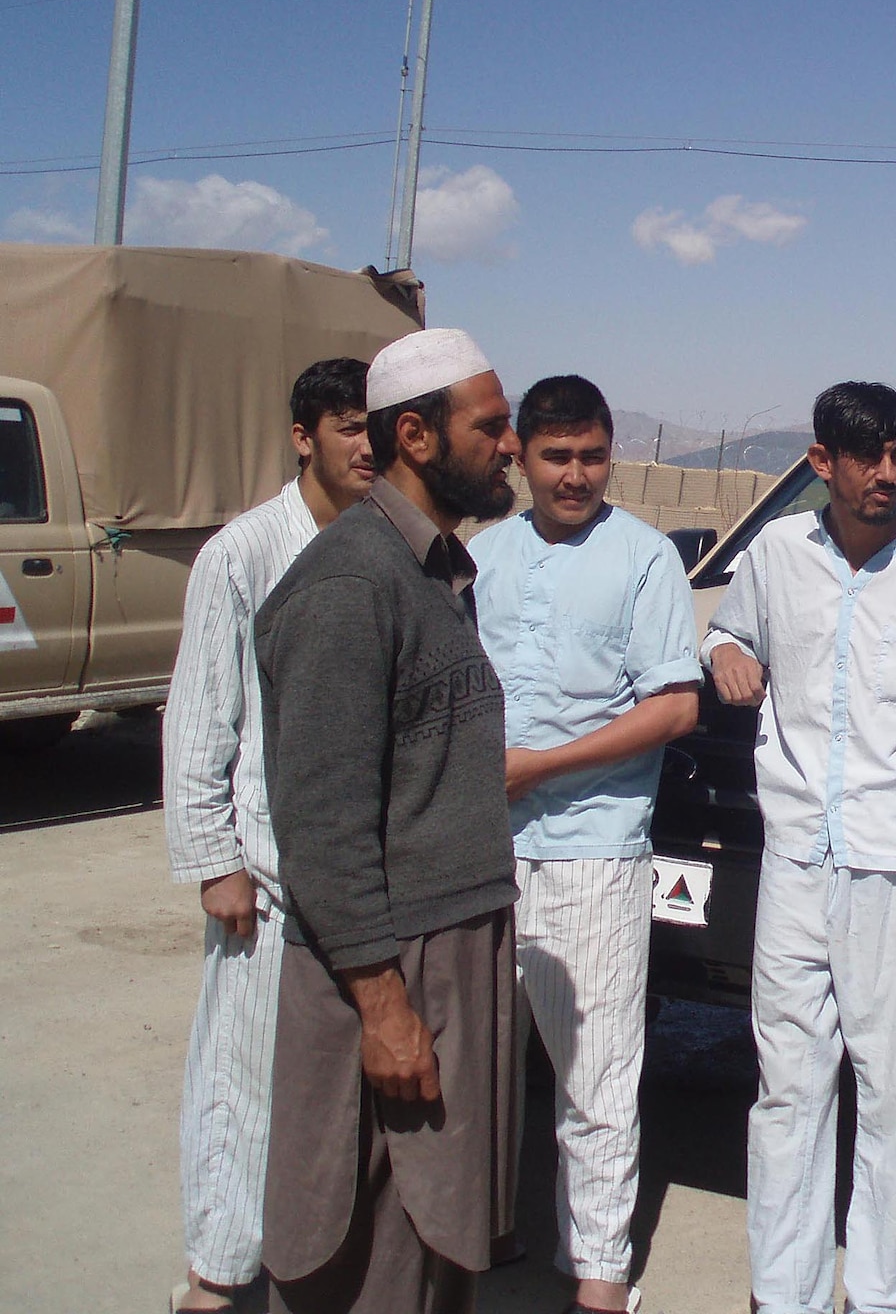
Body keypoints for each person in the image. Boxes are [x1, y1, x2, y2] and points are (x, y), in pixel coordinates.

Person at [705, 381, 896, 1314]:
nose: (886, 473)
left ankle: (885, 1294)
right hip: (797, 859)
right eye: (865, 456)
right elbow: (729, 625)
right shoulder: (776, 555)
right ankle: (784, 1293)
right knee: (788, 1090)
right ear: (820, 463)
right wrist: (722, 647)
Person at [254, 328, 523, 1314]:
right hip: (390, 969)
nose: (510, 445)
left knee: (435, 1245)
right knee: (365, 1249)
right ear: (415, 433)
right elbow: (320, 824)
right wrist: (384, 1003)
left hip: (445, 955)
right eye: (490, 425)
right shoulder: (347, 586)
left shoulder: (433, 571)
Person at [467, 375, 702, 1314]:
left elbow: (676, 706)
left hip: (593, 850)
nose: (575, 477)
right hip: (478, 847)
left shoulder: (644, 559)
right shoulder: (481, 555)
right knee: (471, 1067)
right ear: (518, 454)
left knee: (597, 1072)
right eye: (555, 457)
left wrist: (541, 768)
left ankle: (599, 1275)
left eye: (592, 457)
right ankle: (470, 1238)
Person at [164, 357, 374, 1314]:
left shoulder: (384, 546)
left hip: (359, 877)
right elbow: (201, 716)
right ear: (304, 437)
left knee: (333, 1091)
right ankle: (217, 1272)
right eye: (347, 427)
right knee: (240, 1080)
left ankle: (317, 1258)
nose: (367, 446)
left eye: (380, 427)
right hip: (264, 869)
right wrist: (215, 861)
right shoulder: (243, 553)